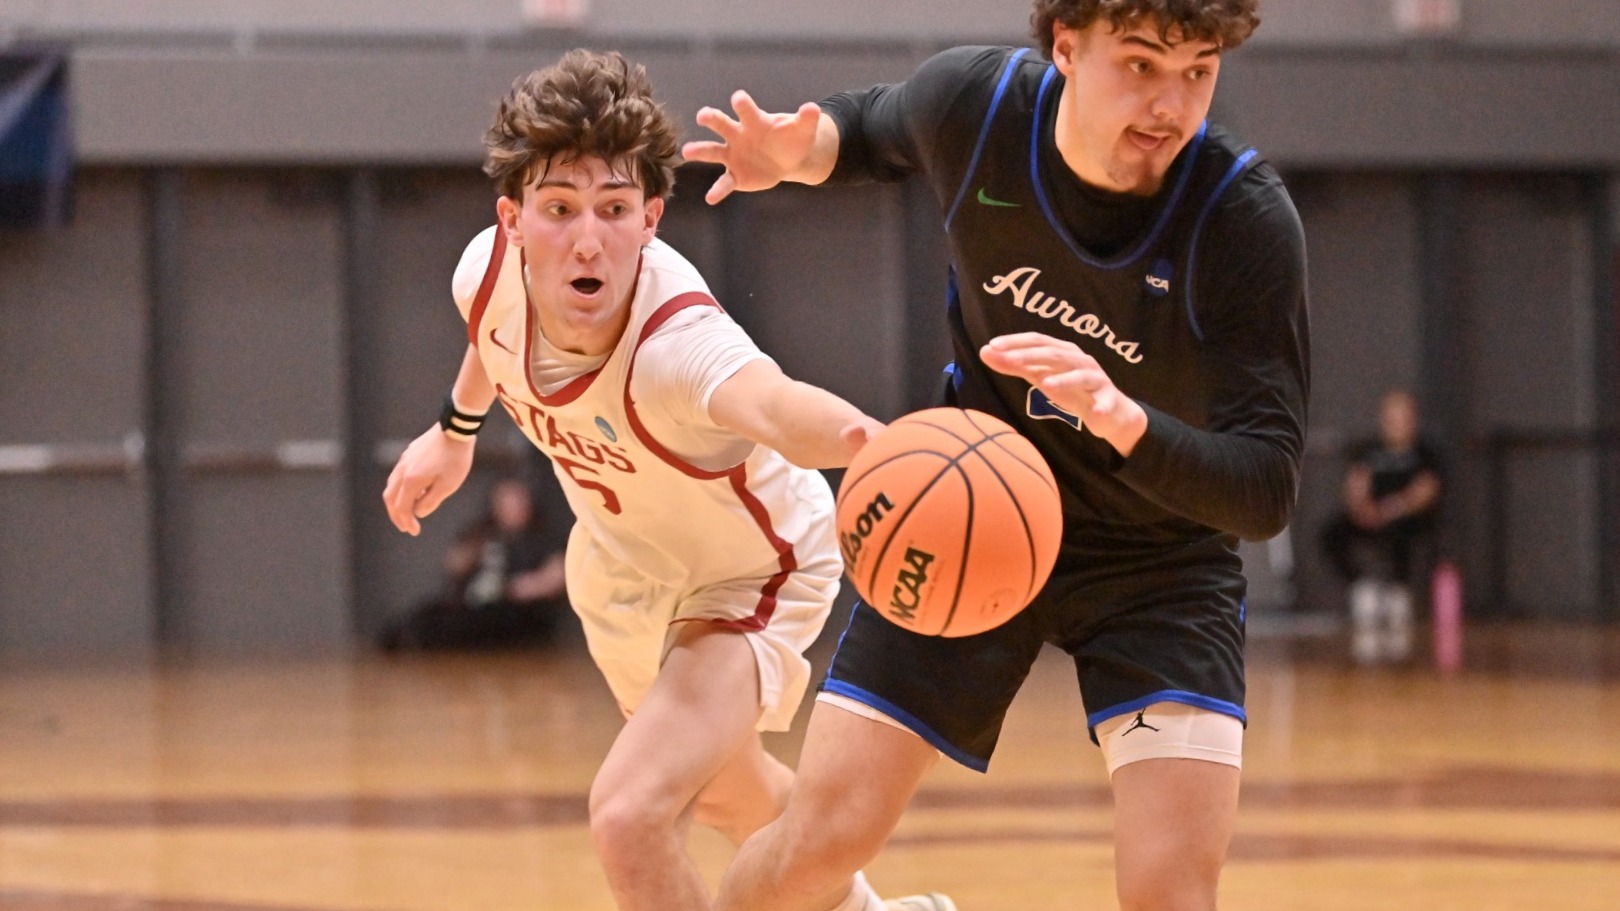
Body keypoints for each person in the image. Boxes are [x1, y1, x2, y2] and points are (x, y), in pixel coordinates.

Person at [681, 0, 1310, 908]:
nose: (1171, 104)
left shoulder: (1243, 220)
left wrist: (1122, 418)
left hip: (1160, 563)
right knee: (818, 841)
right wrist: (797, 148)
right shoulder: (977, 109)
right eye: (1139, 64)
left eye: (1198, 72)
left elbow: (1266, 487)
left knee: (1172, 892)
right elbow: (872, 127)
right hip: (970, 502)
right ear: (1066, 48)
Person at [381, 49, 950, 911]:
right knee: (721, 788)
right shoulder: (485, 271)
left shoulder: (677, 344)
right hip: (621, 569)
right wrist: (453, 433)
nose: (586, 237)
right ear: (513, 221)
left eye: (614, 210)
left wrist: (873, 443)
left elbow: (775, 404)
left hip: (751, 569)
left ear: (650, 218)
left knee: (628, 814)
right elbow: (489, 340)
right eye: (559, 209)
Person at [377, 475, 571, 652]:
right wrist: (474, 551)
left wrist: (530, 586)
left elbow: (557, 574)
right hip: (475, 603)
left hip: (515, 610)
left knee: (477, 621)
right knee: (432, 614)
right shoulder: (483, 533)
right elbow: (454, 564)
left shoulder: (542, 538)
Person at [1320, 388, 1443, 664]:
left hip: (1406, 516)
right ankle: (1362, 587)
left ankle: (1398, 592)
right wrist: (1362, 508)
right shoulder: (1369, 450)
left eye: (1403, 418)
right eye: (1391, 418)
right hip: (1371, 514)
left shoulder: (1425, 452)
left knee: (1404, 532)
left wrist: (1393, 508)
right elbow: (1356, 482)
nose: (1397, 424)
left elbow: (1427, 490)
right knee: (1333, 533)